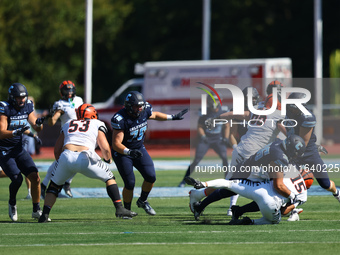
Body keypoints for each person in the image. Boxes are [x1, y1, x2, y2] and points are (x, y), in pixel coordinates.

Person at [190, 85, 283, 216]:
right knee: (262, 184)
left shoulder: (257, 110)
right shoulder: (271, 114)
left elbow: (273, 134)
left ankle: (201, 196)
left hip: (253, 152)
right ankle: (283, 205)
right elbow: (232, 132)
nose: (253, 101)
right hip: (248, 153)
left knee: (233, 185)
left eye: (254, 99)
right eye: (249, 99)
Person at [38, 104, 137, 222]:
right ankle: (119, 208)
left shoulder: (68, 123)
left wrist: (61, 163)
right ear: (93, 114)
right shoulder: (97, 123)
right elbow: (104, 146)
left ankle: (44, 215)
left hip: (66, 155)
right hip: (85, 156)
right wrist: (108, 159)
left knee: (54, 186)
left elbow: (57, 148)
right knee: (109, 178)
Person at [186, 134, 308, 225]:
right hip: (253, 172)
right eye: (295, 153)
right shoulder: (280, 157)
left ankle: (202, 203)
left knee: (231, 189)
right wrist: (292, 196)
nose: (295, 156)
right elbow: (278, 185)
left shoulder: (279, 144)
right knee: (263, 194)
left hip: (250, 167)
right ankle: (202, 203)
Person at [111, 91, 188, 216]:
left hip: (139, 148)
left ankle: (142, 200)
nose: (140, 108)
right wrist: (129, 152)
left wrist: (173, 117)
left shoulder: (144, 110)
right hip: (123, 152)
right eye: (137, 106)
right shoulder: (120, 118)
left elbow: (155, 115)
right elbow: (116, 144)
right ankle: (126, 210)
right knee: (130, 183)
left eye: (141, 105)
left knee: (151, 176)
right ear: (129, 106)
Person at [280, 92, 340, 202]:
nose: (291, 108)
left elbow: (303, 143)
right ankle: (293, 209)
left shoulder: (307, 117)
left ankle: (337, 192)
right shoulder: (287, 111)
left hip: (307, 151)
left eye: (293, 106)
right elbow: (282, 126)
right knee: (289, 182)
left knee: (325, 184)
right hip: (292, 148)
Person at [0, 83, 45, 221]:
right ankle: (12, 203)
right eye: (19, 98)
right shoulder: (5, 108)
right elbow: (1, 132)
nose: (22, 100)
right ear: (12, 98)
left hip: (19, 149)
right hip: (4, 150)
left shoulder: (28, 105)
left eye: (23, 97)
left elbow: (36, 126)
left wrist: (39, 124)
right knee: (17, 179)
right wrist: (15, 132)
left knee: (35, 177)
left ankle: (36, 209)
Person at [41, 80, 84, 198]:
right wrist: (52, 114)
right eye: (66, 90)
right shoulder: (59, 104)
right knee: (63, 161)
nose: (69, 93)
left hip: (80, 134)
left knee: (76, 160)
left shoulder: (79, 100)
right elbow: (51, 123)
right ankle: (46, 185)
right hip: (67, 136)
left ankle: (63, 183)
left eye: (71, 90)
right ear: (61, 92)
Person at [178, 95, 229, 188]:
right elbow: (200, 126)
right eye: (212, 99)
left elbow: (227, 126)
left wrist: (225, 137)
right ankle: (183, 181)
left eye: (216, 99)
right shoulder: (204, 112)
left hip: (218, 138)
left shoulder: (224, 111)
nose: (214, 102)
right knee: (196, 160)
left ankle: (228, 180)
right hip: (206, 139)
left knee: (225, 158)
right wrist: (203, 136)